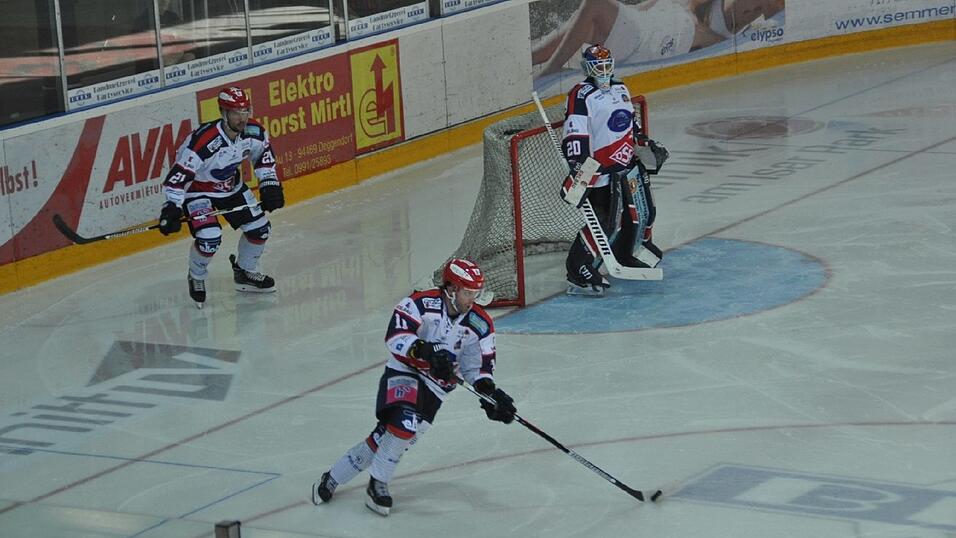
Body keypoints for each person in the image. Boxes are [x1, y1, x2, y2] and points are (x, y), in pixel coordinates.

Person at [311, 258, 517, 516]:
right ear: (451, 289)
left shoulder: (480, 323)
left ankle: (333, 476)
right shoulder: (421, 302)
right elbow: (395, 336)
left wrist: (489, 392)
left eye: (476, 293)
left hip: (436, 390)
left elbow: (477, 366)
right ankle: (378, 485)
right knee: (404, 425)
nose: (472, 299)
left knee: (387, 439)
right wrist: (425, 352)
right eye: (467, 292)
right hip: (405, 372)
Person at [157, 86, 285, 308]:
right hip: (197, 191)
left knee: (260, 229)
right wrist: (173, 206)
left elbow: (264, 157)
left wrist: (269, 183)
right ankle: (197, 276)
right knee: (209, 238)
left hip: (231, 188)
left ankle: (245, 272)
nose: (242, 117)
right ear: (223, 112)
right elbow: (177, 178)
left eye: (245, 111)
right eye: (236, 112)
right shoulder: (203, 141)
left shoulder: (254, 132)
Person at [561, 44, 669, 296]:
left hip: (626, 164)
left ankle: (627, 252)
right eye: (597, 66)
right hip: (599, 170)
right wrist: (580, 168)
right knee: (604, 221)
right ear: (587, 68)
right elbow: (575, 132)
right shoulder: (581, 94)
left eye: (607, 64)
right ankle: (578, 268)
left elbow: (629, 123)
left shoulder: (621, 88)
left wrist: (643, 142)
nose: (603, 70)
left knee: (642, 212)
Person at [533, 0, 785, 77]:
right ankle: (531, 61)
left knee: (596, 4)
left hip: (657, 41)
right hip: (651, 23)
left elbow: (780, 16)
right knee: (580, 26)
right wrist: (633, 11)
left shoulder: (723, 35)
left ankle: (550, 70)